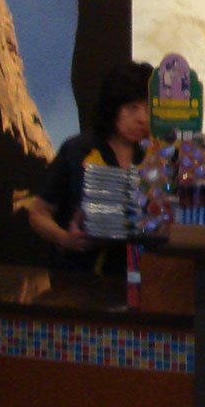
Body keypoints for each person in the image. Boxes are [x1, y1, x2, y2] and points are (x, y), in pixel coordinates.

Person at [26, 60, 153, 273]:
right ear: (113, 107)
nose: (142, 118)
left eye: (148, 109)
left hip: (141, 277)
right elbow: (38, 213)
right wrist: (65, 239)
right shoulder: (77, 150)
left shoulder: (156, 156)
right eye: (133, 108)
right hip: (80, 278)